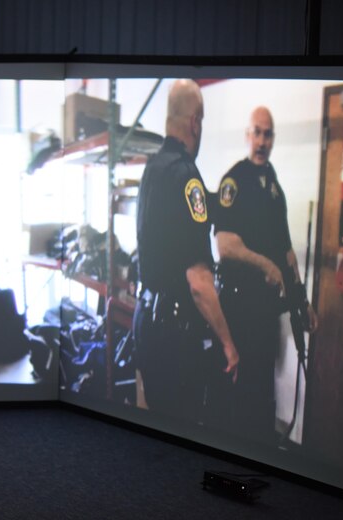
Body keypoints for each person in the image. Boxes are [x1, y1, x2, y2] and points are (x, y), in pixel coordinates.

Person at [133, 79, 239, 423]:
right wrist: (228, 342)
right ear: (195, 122)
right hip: (175, 336)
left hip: (146, 322)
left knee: (158, 427)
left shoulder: (151, 170)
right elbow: (198, 281)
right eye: (202, 121)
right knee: (184, 432)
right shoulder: (186, 177)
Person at [213, 106, 318, 445]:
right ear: (247, 135)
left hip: (264, 314)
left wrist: (302, 300)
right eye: (256, 132)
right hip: (237, 310)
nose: (261, 141)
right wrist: (264, 265)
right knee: (236, 396)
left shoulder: (274, 187)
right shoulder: (235, 181)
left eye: (267, 134)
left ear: (273, 139)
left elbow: (286, 252)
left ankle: (259, 459)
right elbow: (225, 246)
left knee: (262, 390)